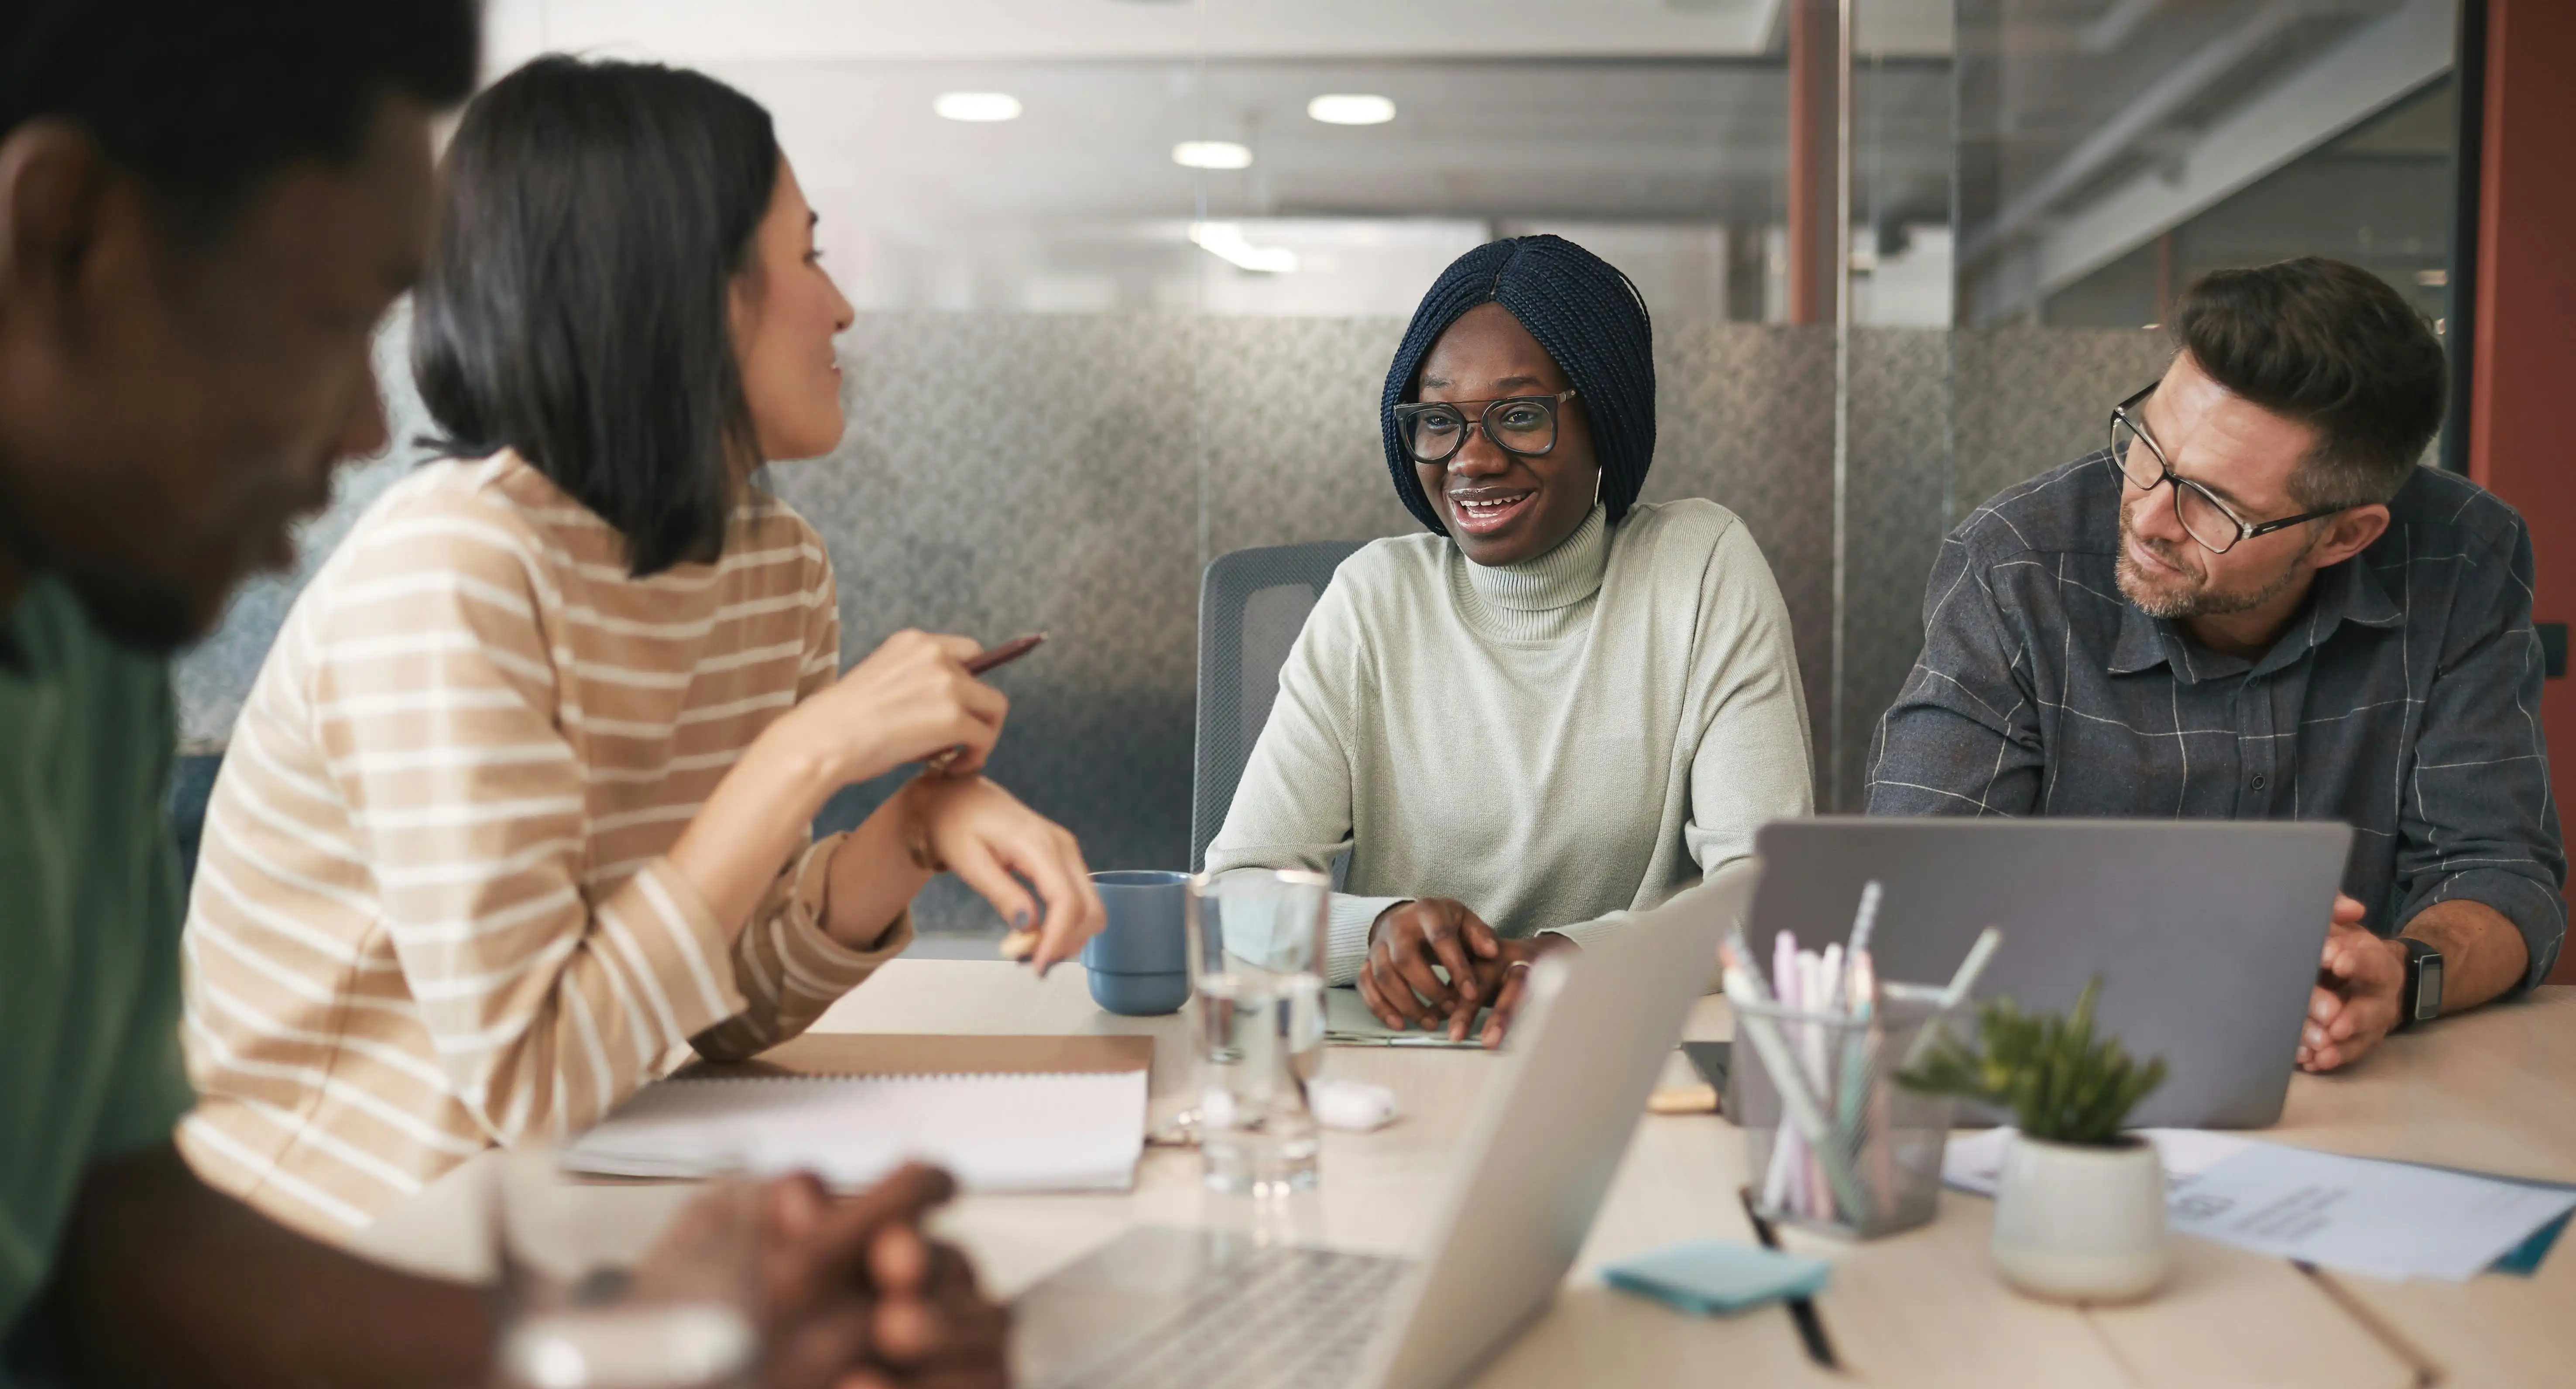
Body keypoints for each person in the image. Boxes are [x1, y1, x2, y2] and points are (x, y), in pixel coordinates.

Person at [0, 9, 1005, 1389]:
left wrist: (660, 1357)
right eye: (335, 321)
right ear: (64, 243)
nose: (350, 433)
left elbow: (124, 1252)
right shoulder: (428, 570)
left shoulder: (85, 642)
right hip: (399, 1207)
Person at [180, 57, 1105, 1237]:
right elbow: (529, 1077)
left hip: (548, 1213)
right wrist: (805, 756)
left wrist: (909, 831)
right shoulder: (453, 568)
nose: (843, 307)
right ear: (691, 293)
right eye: (809, 256)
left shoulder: (775, 568)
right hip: (322, 1245)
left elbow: (723, 1003)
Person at [1867, 257, 2564, 1072]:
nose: (2149, 515)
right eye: (2147, 447)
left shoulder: (2463, 558)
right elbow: (1912, 888)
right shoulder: (2016, 565)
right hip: (2065, 1072)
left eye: (2216, 504)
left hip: (2349, 1089)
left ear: (2344, 536)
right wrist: (2203, 963)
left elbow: (2500, 873)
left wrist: (2402, 976)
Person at [1202, 235, 1814, 1045]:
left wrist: (1575, 958)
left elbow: (1768, 895)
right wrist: (1374, 933)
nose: (1474, 460)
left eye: (1520, 416)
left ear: (1602, 415)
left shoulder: (1697, 571)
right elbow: (1231, 894)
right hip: (1405, 1061)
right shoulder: (1373, 599)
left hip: (1620, 1055)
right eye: (1440, 421)